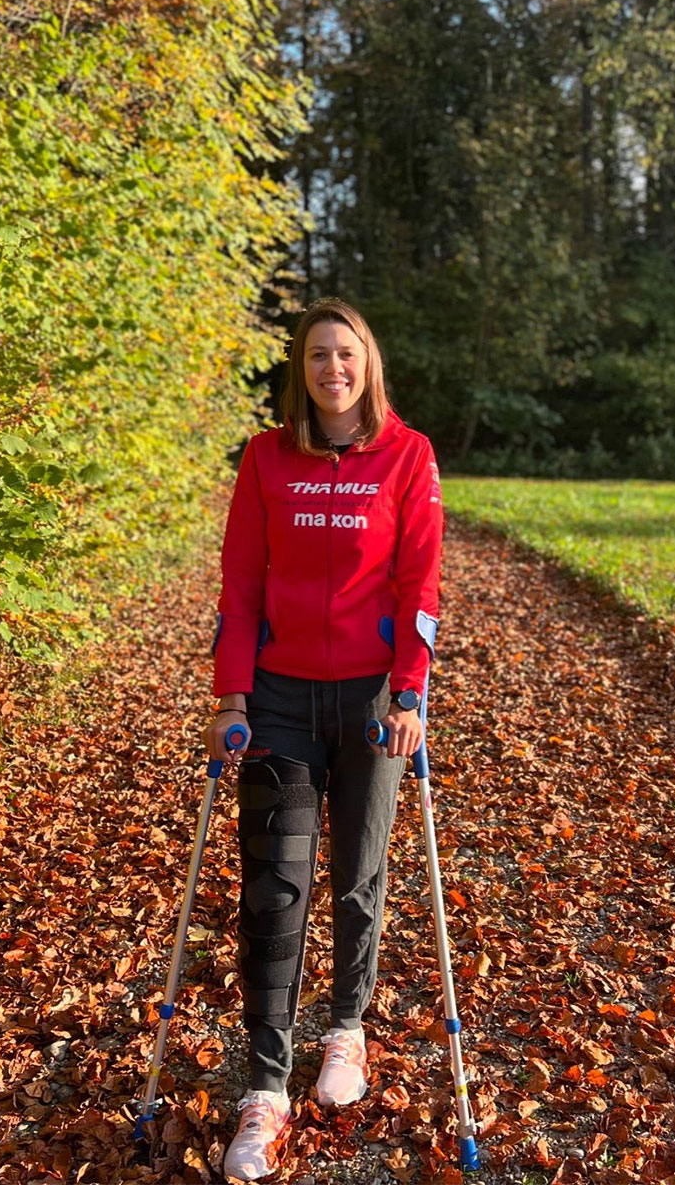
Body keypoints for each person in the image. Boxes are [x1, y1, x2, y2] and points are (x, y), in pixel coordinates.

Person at [203, 297, 444, 1180]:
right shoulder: (266, 458)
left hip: (373, 702)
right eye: (316, 356)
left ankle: (346, 1030)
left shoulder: (408, 457)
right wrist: (231, 695)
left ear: (367, 364)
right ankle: (262, 1090)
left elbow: (420, 582)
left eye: (346, 355)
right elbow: (241, 581)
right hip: (276, 702)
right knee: (273, 890)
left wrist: (411, 690)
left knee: (358, 874)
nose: (332, 369)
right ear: (299, 369)